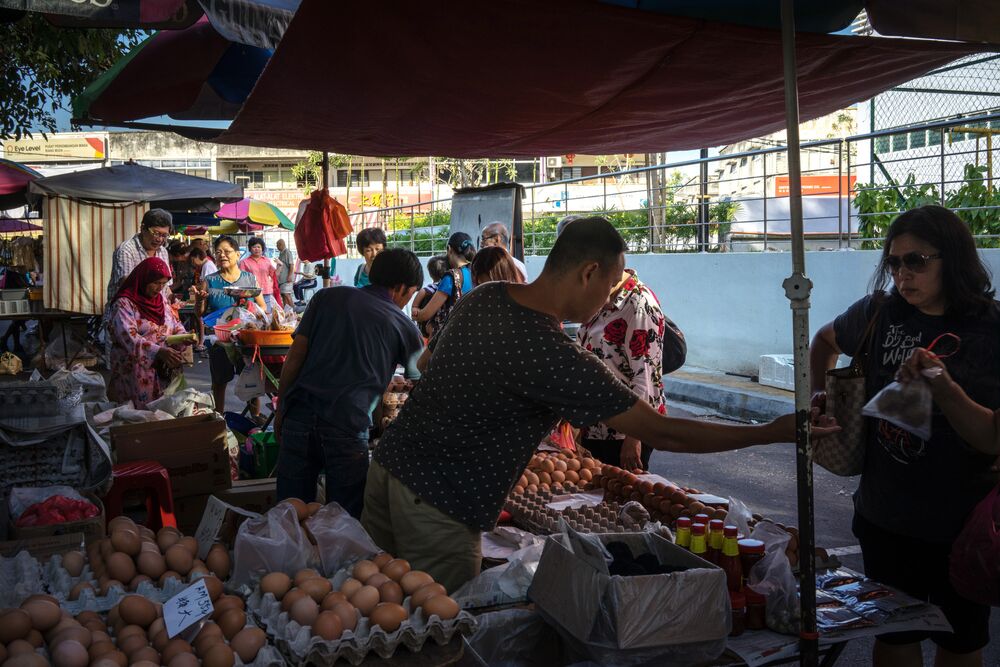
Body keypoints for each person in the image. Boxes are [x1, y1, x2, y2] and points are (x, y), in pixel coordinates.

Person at [363, 216, 837, 592]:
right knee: (444, 634)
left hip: (388, 470)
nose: (608, 298)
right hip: (439, 501)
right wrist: (769, 431)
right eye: (609, 285)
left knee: (387, 610)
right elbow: (664, 432)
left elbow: (435, 367)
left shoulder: (484, 296)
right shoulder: (552, 353)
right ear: (589, 272)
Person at [810, 205, 998, 667]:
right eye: (894, 262)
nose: (902, 274)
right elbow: (823, 341)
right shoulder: (880, 314)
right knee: (894, 634)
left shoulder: (989, 329)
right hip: (884, 513)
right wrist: (821, 396)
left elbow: (993, 438)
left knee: (960, 641)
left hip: (962, 521)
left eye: (916, 261)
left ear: (952, 259)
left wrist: (944, 386)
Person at [275, 248, 424, 517]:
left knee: (289, 513)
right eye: (411, 293)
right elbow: (422, 387)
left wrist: (281, 411)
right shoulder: (404, 327)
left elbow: (294, 359)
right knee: (343, 522)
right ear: (402, 287)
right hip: (347, 427)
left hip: (299, 416)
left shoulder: (327, 297)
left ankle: (286, 558)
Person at [575, 260, 686, 471]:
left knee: (622, 496)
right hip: (599, 425)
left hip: (625, 431)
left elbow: (646, 377)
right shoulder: (605, 297)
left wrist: (633, 439)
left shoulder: (639, 305)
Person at [194, 236, 267, 414]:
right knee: (219, 381)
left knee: (251, 380)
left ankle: (254, 418)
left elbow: (262, 306)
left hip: (245, 338)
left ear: (237, 254)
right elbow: (200, 313)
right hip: (219, 338)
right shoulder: (210, 280)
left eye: (227, 252)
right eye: (218, 252)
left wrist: (252, 311)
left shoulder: (249, 279)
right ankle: (219, 419)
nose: (222, 256)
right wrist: (199, 300)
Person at [106, 258, 190, 409]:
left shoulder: (161, 300)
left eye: (163, 284)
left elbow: (174, 324)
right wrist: (158, 351)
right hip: (134, 369)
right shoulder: (124, 303)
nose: (159, 288)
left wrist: (185, 337)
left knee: (162, 413)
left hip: (162, 368)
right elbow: (128, 336)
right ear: (143, 279)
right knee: (137, 416)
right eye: (156, 283)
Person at [410, 232, 475, 332]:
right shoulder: (473, 273)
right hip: (468, 330)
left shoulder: (451, 278)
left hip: (451, 335)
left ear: (449, 249)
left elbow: (426, 314)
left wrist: (416, 314)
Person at [107, 208, 173, 304]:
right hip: (127, 311)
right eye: (156, 233)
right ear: (143, 228)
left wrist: (173, 298)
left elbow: (165, 287)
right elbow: (127, 285)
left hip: (155, 312)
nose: (159, 239)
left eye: (164, 235)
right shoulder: (126, 250)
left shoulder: (162, 251)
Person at [188, 247, 216, 354]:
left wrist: (195, 288)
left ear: (197, 257)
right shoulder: (205, 265)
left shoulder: (207, 265)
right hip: (207, 295)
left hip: (208, 296)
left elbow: (205, 284)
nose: (193, 263)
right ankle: (202, 341)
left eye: (193, 260)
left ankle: (202, 342)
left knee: (201, 317)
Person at [412, 255, 448, 338]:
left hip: (425, 327)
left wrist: (415, 307)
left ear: (430, 274)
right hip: (437, 325)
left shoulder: (429, 288)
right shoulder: (443, 288)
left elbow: (421, 294)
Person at [239, 237, 279, 313]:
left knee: (267, 315)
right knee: (252, 315)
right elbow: (241, 279)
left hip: (266, 291)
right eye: (254, 247)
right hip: (251, 294)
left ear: (262, 248)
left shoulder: (267, 260)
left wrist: (279, 266)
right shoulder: (244, 262)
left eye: (259, 247)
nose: (256, 249)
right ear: (250, 249)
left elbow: (274, 275)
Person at [276, 238, 295, 308]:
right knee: (283, 295)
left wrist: (289, 276)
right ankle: (287, 311)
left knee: (287, 294)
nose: (276, 247)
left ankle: (293, 310)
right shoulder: (281, 253)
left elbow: (291, 265)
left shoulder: (287, 252)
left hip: (287, 279)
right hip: (282, 280)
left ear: (281, 245)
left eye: (277, 245)